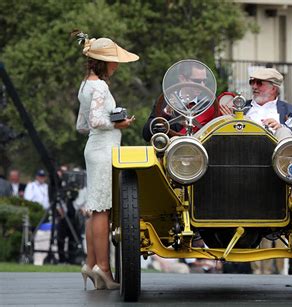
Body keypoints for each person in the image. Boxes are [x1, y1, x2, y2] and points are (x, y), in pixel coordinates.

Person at [74, 30, 138, 290]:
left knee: (95, 208)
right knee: (103, 210)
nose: (117, 66)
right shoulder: (100, 86)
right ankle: (104, 268)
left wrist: (107, 122)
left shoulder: (85, 85)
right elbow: (94, 121)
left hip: (94, 148)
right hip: (103, 152)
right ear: (104, 63)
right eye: (114, 61)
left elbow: (80, 125)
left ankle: (90, 265)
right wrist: (120, 122)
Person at [142, 61, 218, 141]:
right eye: (197, 81)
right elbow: (147, 134)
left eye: (204, 81)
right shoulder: (165, 101)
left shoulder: (209, 104)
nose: (202, 85)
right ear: (182, 79)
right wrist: (165, 113)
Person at [220, 67, 292, 139]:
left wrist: (281, 127)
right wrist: (229, 120)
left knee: (284, 131)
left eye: (259, 83)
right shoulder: (238, 108)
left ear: (273, 88)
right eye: (252, 82)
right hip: (242, 151)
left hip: (276, 155)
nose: (254, 86)